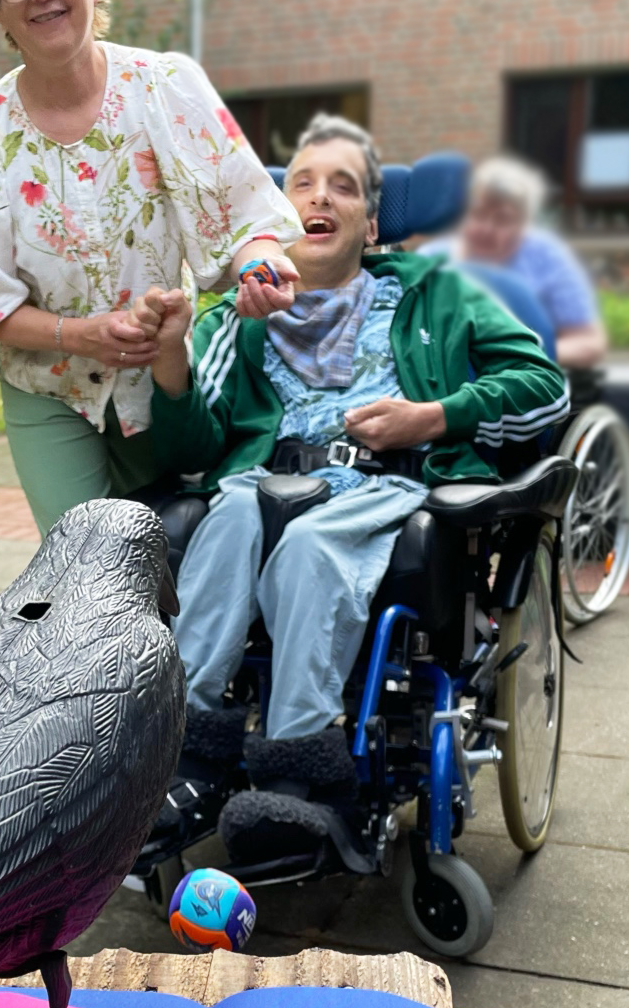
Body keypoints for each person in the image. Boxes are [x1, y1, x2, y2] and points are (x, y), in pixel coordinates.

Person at [131, 116, 568, 866]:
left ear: (371, 225)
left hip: (380, 483)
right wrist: (173, 354)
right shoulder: (236, 322)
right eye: (300, 183)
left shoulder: (439, 293)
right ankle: (184, 756)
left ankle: (305, 777)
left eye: (344, 186)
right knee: (229, 515)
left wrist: (432, 417)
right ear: (272, 220)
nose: (318, 196)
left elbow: (544, 389)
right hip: (263, 481)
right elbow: (192, 449)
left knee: (309, 546)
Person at [0, 0, 302, 536]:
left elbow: (250, 218)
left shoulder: (167, 87)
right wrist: (82, 335)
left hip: (163, 388)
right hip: (48, 391)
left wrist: (261, 269)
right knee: (84, 573)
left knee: (178, 564)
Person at [419, 156, 608, 369]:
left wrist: (523, 354)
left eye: (503, 219)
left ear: (523, 225)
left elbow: (589, 342)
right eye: (478, 214)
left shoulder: (547, 257)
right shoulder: (430, 258)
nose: (486, 229)